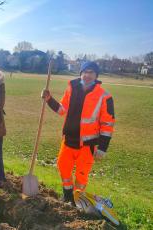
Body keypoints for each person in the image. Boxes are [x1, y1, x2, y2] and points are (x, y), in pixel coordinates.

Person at [41, 61, 115, 205]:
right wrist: (49, 100)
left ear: (96, 76)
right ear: (81, 73)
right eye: (85, 72)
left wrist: (102, 148)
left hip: (88, 145)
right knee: (63, 168)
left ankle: (78, 202)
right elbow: (62, 110)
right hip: (68, 140)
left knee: (81, 177)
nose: (87, 75)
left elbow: (108, 123)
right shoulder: (72, 87)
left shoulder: (104, 96)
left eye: (91, 72)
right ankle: (68, 197)